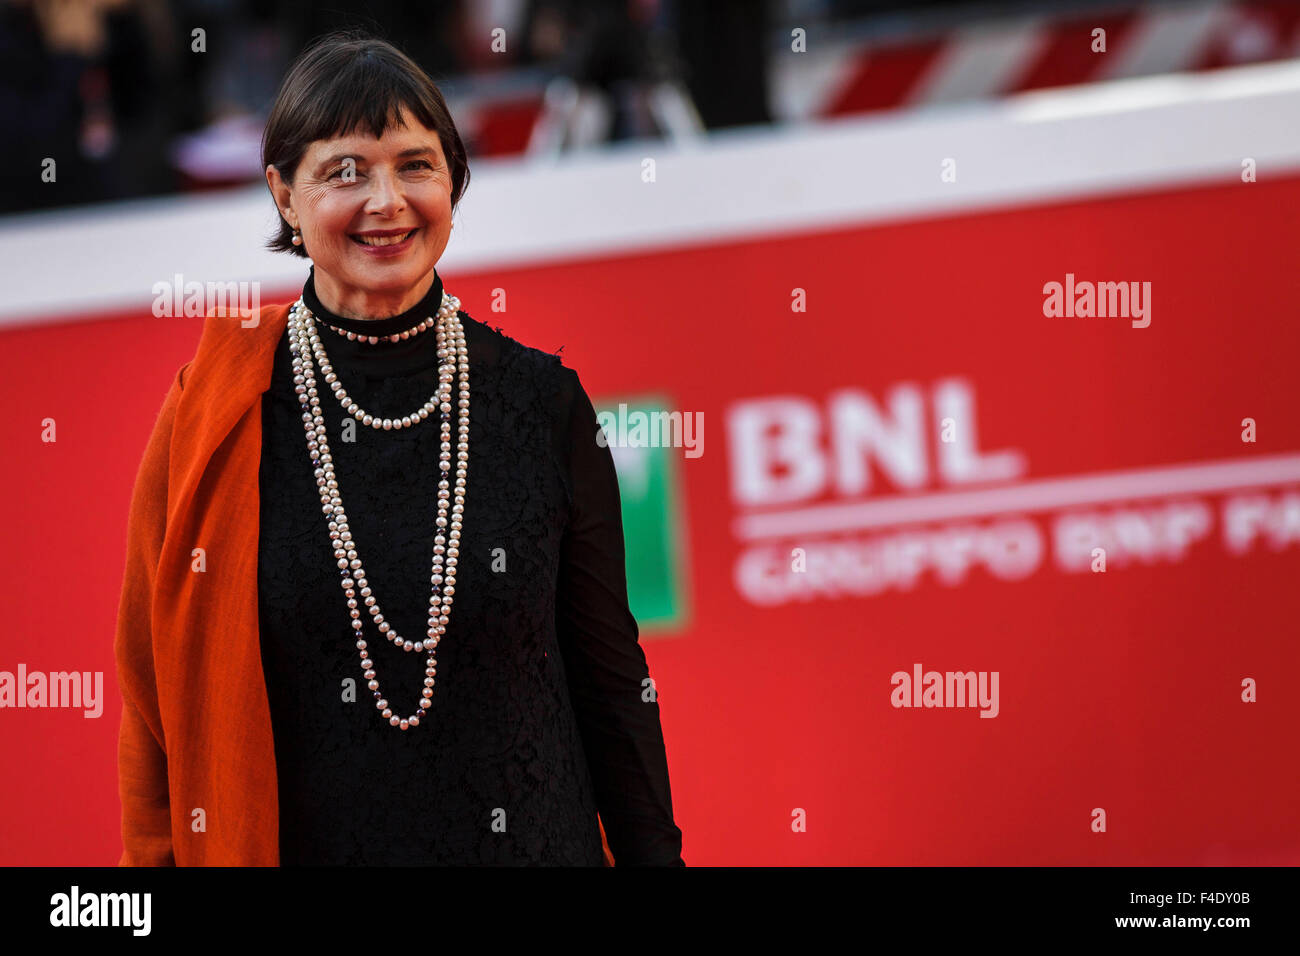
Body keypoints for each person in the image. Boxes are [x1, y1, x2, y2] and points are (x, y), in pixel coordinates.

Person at [114, 29, 684, 866]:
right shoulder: (218, 410)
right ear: (283, 194)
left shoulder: (540, 403)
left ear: (453, 179)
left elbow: (613, 687)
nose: (387, 201)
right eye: (345, 171)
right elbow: (153, 704)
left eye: (416, 165)